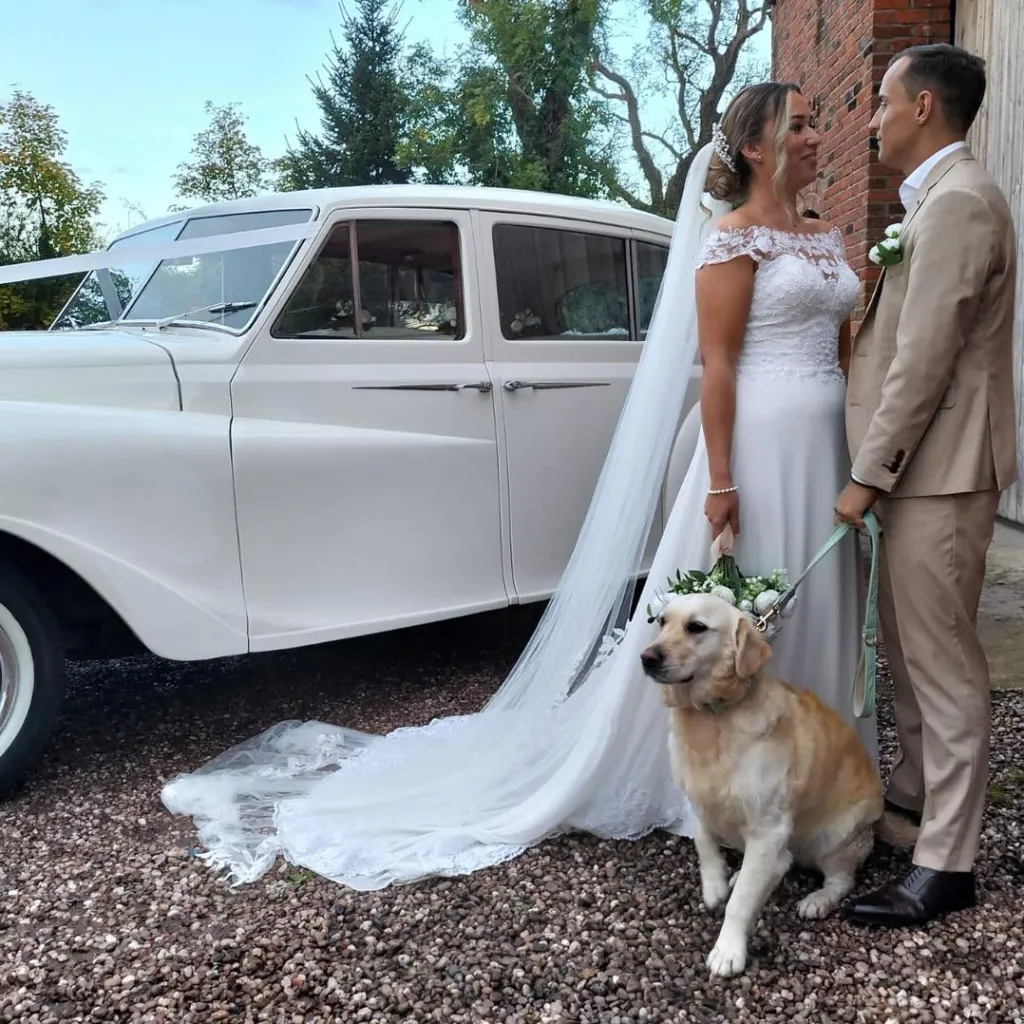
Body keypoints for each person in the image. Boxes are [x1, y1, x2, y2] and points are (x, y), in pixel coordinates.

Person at [160, 83, 876, 923]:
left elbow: (842, 348)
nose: (821, 133)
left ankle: (815, 783)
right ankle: (726, 787)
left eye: (816, 118)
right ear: (757, 146)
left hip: (826, 440)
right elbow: (717, 367)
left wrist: (857, 447)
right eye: (803, 122)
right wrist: (721, 481)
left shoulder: (828, 235)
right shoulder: (731, 238)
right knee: (742, 612)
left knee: (818, 602)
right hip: (757, 445)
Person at [836, 44, 1017, 927]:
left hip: (939, 476)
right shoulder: (935, 204)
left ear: (921, 110)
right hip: (921, 473)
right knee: (905, 651)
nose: (870, 119)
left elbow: (925, 360)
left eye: (879, 102)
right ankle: (909, 808)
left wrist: (868, 475)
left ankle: (948, 863)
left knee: (942, 666)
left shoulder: (962, 204)